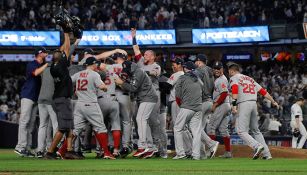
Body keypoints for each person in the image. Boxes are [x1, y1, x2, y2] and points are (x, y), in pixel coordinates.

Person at [228, 62, 279, 160]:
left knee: (240, 130)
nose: (229, 73)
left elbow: (235, 89)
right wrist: (273, 101)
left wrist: (233, 105)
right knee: (256, 131)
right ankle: (267, 154)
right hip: (253, 104)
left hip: (244, 104)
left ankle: (256, 146)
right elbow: (263, 91)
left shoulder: (234, 77)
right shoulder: (250, 79)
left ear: (232, 71)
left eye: (229, 71)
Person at [131, 28, 167, 158]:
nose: (144, 56)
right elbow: (136, 49)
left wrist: (140, 73)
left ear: (152, 57)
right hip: (141, 95)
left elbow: (155, 73)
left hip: (153, 95)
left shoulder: (156, 65)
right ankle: (148, 147)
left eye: (147, 55)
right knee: (140, 121)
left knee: (153, 122)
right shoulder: (141, 62)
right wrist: (134, 36)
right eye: (144, 54)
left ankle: (161, 149)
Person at [71, 57, 115, 159]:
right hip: (91, 104)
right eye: (96, 64)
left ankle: (62, 150)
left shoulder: (78, 74)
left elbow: (69, 81)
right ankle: (107, 153)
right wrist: (105, 87)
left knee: (75, 130)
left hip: (79, 104)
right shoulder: (95, 74)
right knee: (101, 128)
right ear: (93, 64)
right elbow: (103, 87)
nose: (97, 66)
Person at [114, 60, 158, 158]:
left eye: (127, 69)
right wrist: (123, 82)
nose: (127, 71)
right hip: (143, 98)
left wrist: (121, 83)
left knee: (140, 119)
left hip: (148, 97)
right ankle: (150, 148)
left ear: (131, 67)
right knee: (143, 122)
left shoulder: (138, 71)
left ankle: (142, 147)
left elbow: (133, 88)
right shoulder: (134, 72)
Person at [45, 25, 75, 159]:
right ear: (60, 58)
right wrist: (67, 34)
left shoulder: (53, 66)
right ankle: (50, 152)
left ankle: (69, 151)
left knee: (69, 127)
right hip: (62, 98)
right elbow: (67, 49)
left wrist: (65, 37)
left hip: (60, 98)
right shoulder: (61, 65)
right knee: (63, 128)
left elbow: (63, 50)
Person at [15, 47, 48, 157]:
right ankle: (20, 147)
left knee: (31, 124)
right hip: (28, 95)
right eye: (44, 52)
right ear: (39, 54)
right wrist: (47, 65)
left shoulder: (43, 65)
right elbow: (36, 73)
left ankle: (27, 148)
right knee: (24, 121)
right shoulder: (32, 64)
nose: (46, 53)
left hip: (36, 97)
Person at [173, 61, 202, 160]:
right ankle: (196, 155)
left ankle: (181, 154)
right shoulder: (199, 79)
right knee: (196, 132)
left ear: (186, 68)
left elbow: (177, 96)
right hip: (198, 108)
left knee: (177, 128)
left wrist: (182, 106)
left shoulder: (182, 78)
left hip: (186, 107)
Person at [194, 54, 219, 158]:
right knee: (200, 129)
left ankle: (212, 143)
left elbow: (195, 82)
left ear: (199, 61)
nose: (195, 63)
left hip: (202, 101)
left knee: (195, 127)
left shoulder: (199, 70)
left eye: (196, 61)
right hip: (210, 101)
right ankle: (202, 154)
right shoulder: (210, 71)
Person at [206, 61, 232, 158]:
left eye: (219, 68)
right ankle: (228, 152)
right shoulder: (219, 79)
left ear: (222, 69)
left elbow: (224, 93)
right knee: (223, 129)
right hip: (225, 105)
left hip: (221, 105)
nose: (216, 70)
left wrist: (215, 104)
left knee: (210, 128)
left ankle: (210, 151)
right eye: (215, 68)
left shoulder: (221, 79)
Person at [36, 60, 58, 158]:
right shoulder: (56, 69)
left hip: (41, 98)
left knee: (42, 125)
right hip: (51, 99)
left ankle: (40, 150)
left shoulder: (44, 69)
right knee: (55, 124)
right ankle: (53, 149)